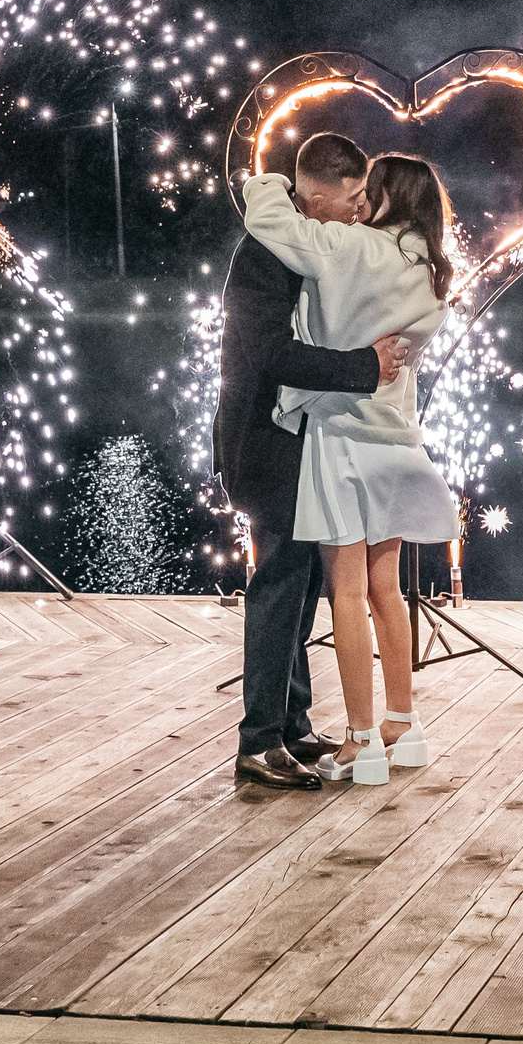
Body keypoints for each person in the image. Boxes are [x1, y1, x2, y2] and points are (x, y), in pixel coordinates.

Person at [239, 150, 463, 784]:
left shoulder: (346, 247)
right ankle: (403, 724)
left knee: (344, 592)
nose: (361, 201)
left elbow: (275, 224)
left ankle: (361, 741)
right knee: (388, 590)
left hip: (339, 438)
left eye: (371, 191)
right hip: (399, 440)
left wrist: (269, 182)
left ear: (387, 198)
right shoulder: (430, 271)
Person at [214, 132, 410, 792]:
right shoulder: (265, 255)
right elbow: (269, 353)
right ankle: (258, 742)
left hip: (297, 440)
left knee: (299, 588)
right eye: (351, 197)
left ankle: (292, 725)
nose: (360, 208)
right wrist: (365, 367)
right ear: (317, 194)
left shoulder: (308, 244)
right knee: (278, 587)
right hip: (265, 445)